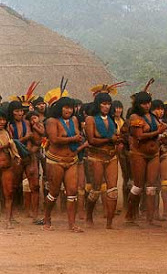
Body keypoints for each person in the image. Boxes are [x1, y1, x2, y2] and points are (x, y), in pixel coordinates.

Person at [43, 83, 84, 232]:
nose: (68, 110)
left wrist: (76, 139)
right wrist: (74, 138)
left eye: (70, 107)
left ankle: (72, 224)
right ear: (59, 108)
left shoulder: (74, 120)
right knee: (53, 192)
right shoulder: (51, 121)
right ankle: (47, 218)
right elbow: (54, 139)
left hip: (72, 160)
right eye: (65, 107)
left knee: (72, 192)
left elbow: (78, 135)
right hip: (55, 160)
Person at [127, 79, 167, 226]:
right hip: (139, 154)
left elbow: (160, 131)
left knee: (151, 187)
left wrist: (162, 135)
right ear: (138, 104)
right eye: (144, 103)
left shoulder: (153, 117)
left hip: (154, 153)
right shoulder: (134, 117)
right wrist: (158, 131)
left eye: (149, 103)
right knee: (138, 186)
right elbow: (139, 136)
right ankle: (129, 215)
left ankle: (150, 219)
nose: (147, 105)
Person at [84, 82, 125, 228]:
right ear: (98, 104)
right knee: (95, 190)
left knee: (113, 190)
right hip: (96, 157)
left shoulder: (112, 120)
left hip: (111, 156)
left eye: (109, 104)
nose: (107, 106)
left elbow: (115, 137)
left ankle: (109, 222)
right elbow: (91, 140)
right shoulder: (90, 119)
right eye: (104, 104)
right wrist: (110, 139)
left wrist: (119, 140)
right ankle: (89, 216)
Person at [7, 82, 40, 220]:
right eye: (17, 111)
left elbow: (36, 140)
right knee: (13, 187)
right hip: (15, 158)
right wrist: (26, 138)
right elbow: (10, 142)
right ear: (12, 112)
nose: (20, 113)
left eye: (21, 111)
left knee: (35, 186)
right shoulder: (9, 125)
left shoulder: (28, 123)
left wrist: (32, 151)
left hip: (29, 157)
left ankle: (35, 215)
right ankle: (11, 215)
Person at [0, 107, 21, 228]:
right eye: (0, 120)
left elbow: (12, 148)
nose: (2, 122)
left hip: (7, 166)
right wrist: (5, 146)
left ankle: (8, 219)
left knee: (9, 192)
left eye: (3, 120)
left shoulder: (7, 132)